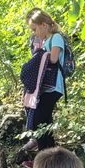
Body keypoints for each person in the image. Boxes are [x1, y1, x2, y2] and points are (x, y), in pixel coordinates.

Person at [19, 9, 67, 156]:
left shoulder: (56, 38)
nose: (34, 33)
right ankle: (51, 156)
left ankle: (44, 157)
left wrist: (40, 53)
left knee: (39, 121)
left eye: (35, 29)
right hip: (45, 87)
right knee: (45, 122)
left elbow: (53, 59)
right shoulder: (45, 41)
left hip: (54, 86)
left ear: (44, 25)